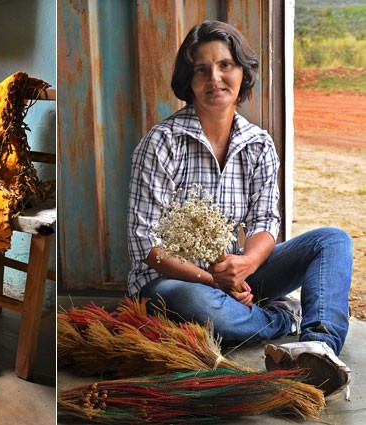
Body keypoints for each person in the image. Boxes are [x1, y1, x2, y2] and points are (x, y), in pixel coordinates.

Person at [127, 20, 353, 397]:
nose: (214, 78)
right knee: (199, 302)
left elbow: (266, 222)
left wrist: (244, 265)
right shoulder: (162, 142)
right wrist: (215, 280)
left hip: (236, 275)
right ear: (190, 79)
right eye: (202, 69)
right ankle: (283, 317)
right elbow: (145, 245)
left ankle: (317, 348)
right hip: (174, 283)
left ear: (241, 72)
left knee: (332, 241)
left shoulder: (259, 144)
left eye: (225, 65)